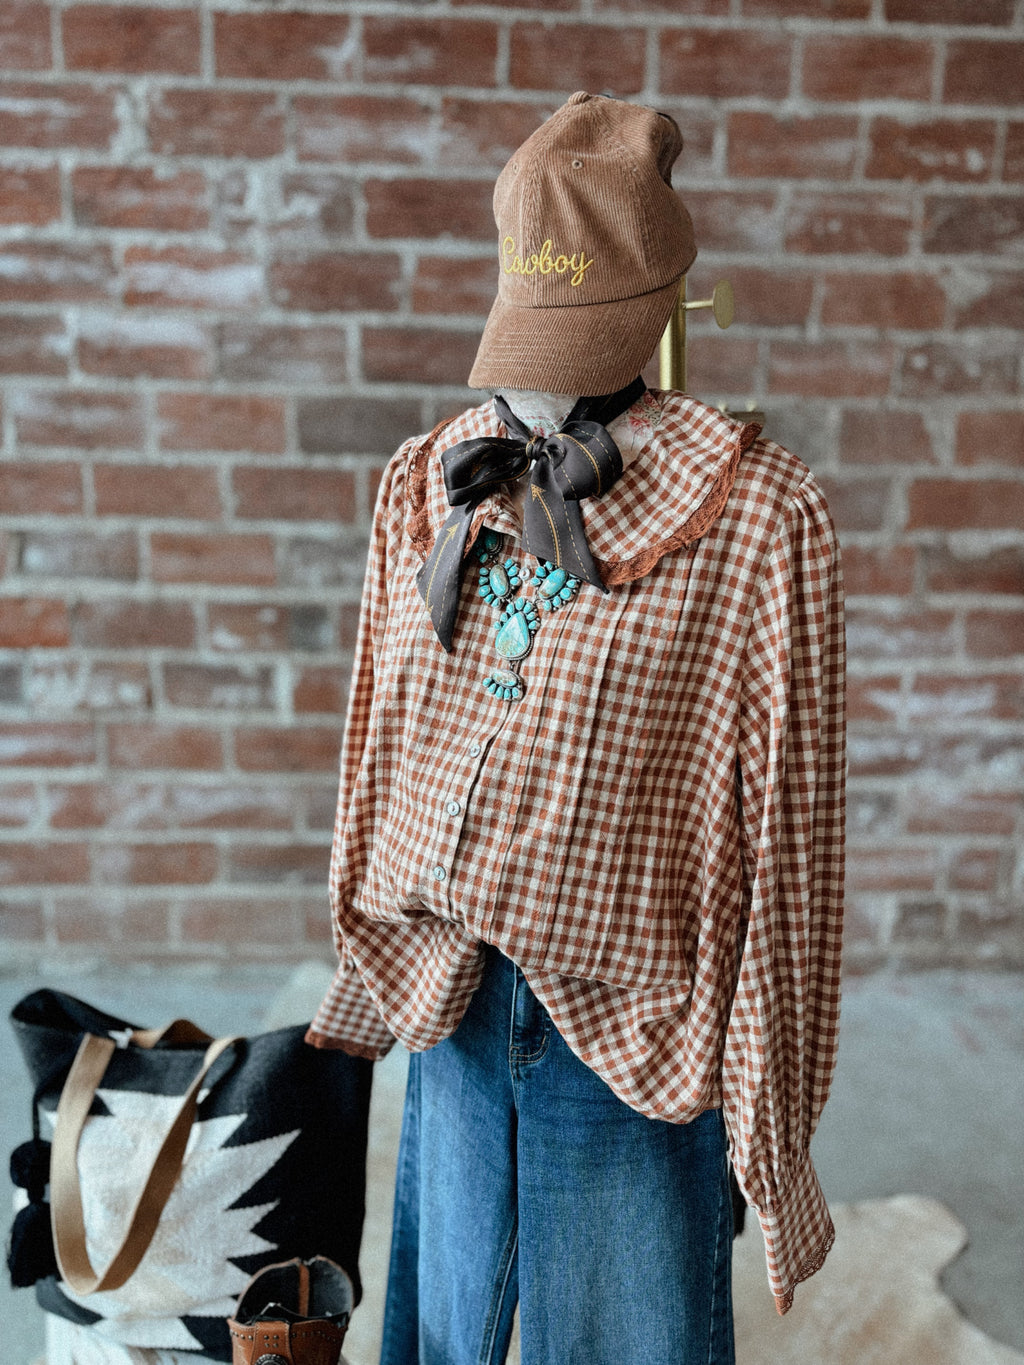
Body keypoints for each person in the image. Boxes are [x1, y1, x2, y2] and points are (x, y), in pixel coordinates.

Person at [306, 91, 846, 1365]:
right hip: (451, 992)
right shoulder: (427, 476)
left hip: (634, 1028)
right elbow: (375, 753)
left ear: (657, 307)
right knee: (445, 1332)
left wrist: (772, 1147)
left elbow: (791, 848)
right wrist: (363, 988)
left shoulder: (757, 519)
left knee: (625, 1340)